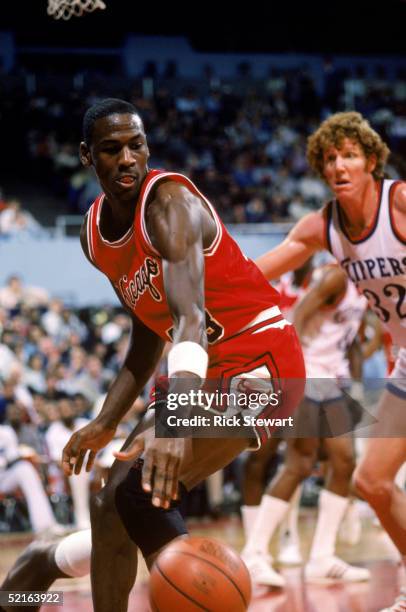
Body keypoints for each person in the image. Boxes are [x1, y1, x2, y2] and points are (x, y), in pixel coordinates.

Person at [57, 98, 305, 612]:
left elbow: (189, 317)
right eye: (111, 149)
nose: (127, 158)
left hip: (262, 362)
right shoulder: (93, 235)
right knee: (108, 499)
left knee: (141, 492)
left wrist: (175, 421)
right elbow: (149, 331)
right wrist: (106, 420)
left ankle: (198, 598)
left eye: (137, 145)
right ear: (87, 156)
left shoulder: (169, 204)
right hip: (203, 369)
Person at [255, 111, 406, 611]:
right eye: (330, 157)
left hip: (343, 372)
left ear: (371, 161)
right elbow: (254, 275)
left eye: (350, 155)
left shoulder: (399, 202)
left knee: (341, 466)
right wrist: (196, 288)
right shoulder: (322, 229)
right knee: (369, 480)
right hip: (383, 363)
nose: (339, 165)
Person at [241, 262, 370, 586]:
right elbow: (296, 319)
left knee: (344, 461)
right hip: (308, 373)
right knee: (299, 463)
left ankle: (322, 557)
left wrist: (355, 384)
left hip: (333, 380)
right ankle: (255, 553)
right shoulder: (336, 277)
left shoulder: (366, 284)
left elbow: (353, 340)